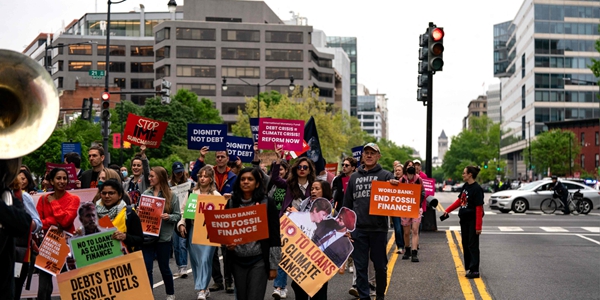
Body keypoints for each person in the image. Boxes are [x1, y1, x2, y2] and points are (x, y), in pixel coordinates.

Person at [343, 143, 395, 300]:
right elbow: (347, 205)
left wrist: (395, 185)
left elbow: (398, 197)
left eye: (373, 153)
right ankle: (364, 297)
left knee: (380, 266)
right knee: (360, 267)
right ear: (362, 156)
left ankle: (380, 296)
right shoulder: (354, 177)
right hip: (359, 229)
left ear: (378, 156)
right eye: (366, 153)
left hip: (378, 229)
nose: (369, 155)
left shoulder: (386, 176)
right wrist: (347, 228)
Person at [225, 167, 280, 300]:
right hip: (237, 261)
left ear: (257, 184)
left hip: (259, 260)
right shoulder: (232, 204)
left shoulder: (267, 203)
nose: (245, 182)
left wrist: (273, 266)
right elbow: (225, 232)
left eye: (250, 179)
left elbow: (275, 236)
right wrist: (227, 245)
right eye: (242, 179)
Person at [191, 146, 237, 293]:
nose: (220, 159)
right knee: (211, 254)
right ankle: (217, 281)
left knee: (227, 251)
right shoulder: (210, 171)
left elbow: (239, 194)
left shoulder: (233, 177)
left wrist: (231, 197)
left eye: (222, 156)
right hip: (205, 219)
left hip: (225, 216)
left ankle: (229, 280)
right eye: (217, 156)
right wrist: (201, 157)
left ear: (227, 159)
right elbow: (194, 175)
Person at [35, 168, 81, 300]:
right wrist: (54, 222)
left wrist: (54, 203)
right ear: (51, 181)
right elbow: (39, 223)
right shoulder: (43, 199)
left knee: (68, 285)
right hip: (48, 245)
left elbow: (66, 221)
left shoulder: (74, 199)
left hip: (66, 247)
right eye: (58, 178)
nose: (62, 181)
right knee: (43, 288)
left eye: (64, 178)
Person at [178, 165, 221, 300]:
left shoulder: (216, 195)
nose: (202, 179)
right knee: (196, 261)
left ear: (210, 179)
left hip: (209, 233)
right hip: (194, 230)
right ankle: (203, 287)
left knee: (205, 259)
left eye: (205, 176)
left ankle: (202, 288)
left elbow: (221, 213)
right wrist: (181, 224)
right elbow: (184, 211)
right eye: (200, 176)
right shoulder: (192, 193)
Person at [141, 166, 181, 300]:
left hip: (164, 237)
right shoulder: (146, 194)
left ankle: (170, 293)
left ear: (160, 178)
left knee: (164, 267)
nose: (149, 178)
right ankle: (149, 294)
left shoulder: (172, 195)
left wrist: (169, 217)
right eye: (149, 176)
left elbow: (178, 215)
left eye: (152, 176)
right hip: (148, 236)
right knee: (147, 267)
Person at [442, 166, 485, 279]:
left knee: (472, 245)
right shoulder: (465, 186)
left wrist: (478, 226)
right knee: (465, 244)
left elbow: (479, 208)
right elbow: (460, 200)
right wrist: (448, 210)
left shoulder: (477, 189)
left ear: (470, 174)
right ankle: (469, 267)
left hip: (473, 220)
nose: (463, 175)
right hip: (464, 220)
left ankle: (475, 270)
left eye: (464, 173)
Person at [10, 174, 41, 300]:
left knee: (13, 292)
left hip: (17, 254)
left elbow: (37, 222)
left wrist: (25, 223)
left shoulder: (23, 196)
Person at [400, 161, 425, 262]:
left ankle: (414, 252)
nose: (410, 167)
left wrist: (419, 201)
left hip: (415, 207)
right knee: (406, 232)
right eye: (409, 166)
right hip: (405, 208)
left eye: (412, 166)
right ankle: (407, 249)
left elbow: (423, 191)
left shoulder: (418, 179)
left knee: (415, 230)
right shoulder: (402, 179)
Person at [170, 161, 191, 278]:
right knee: (176, 243)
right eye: (177, 172)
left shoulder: (189, 184)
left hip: (185, 215)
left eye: (181, 172)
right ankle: (179, 266)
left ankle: (183, 266)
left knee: (183, 242)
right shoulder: (169, 185)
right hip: (173, 215)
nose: (179, 174)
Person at [391, 164, 405, 254]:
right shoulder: (391, 181)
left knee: (405, 228)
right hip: (395, 208)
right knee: (397, 228)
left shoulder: (406, 181)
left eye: (399, 170)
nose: (397, 172)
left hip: (404, 208)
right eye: (396, 170)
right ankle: (400, 246)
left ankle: (407, 245)